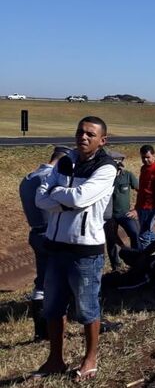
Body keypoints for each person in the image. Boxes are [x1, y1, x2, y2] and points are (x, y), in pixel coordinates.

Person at [33, 116, 117, 381]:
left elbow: (80, 198)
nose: (83, 137)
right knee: (53, 308)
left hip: (85, 251)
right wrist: (63, 197)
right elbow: (39, 199)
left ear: (102, 140)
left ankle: (90, 359)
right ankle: (55, 359)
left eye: (90, 134)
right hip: (55, 247)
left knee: (87, 309)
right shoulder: (66, 161)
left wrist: (57, 193)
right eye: (80, 132)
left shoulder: (106, 167)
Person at [19, 145, 71, 340]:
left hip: (35, 231)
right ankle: (53, 324)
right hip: (52, 233)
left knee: (41, 281)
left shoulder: (28, 179)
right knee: (59, 280)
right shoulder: (49, 179)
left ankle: (40, 329)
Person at [104, 151, 140, 271]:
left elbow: (141, 191)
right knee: (111, 240)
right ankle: (116, 266)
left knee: (135, 233)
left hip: (125, 213)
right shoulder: (103, 178)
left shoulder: (128, 175)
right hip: (109, 215)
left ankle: (137, 260)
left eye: (118, 163)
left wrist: (136, 209)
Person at [127, 144, 155, 251]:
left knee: (144, 235)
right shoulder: (143, 168)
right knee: (147, 232)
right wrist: (137, 207)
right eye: (143, 157)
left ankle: (145, 259)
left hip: (152, 207)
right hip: (142, 206)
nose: (145, 160)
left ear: (154, 155)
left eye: (148, 157)